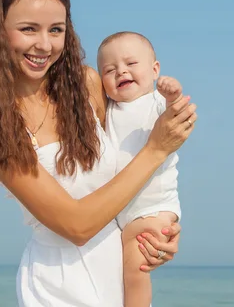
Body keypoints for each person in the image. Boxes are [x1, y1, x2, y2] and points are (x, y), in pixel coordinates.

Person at [0, 0, 197, 306]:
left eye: (56, 29)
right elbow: (77, 226)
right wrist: (157, 150)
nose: (44, 44)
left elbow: (131, 148)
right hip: (58, 286)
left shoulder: (85, 86)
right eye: (28, 29)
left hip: (121, 274)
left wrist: (157, 227)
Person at [97, 31, 184, 307]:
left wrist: (172, 93)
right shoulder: (109, 109)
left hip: (153, 207)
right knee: (120, 273)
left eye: (131, 64)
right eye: (109, 70)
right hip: (121, 210)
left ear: (155, 69)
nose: (121, 71)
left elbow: (176, 114)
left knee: (136, 272)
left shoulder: (155, 102)